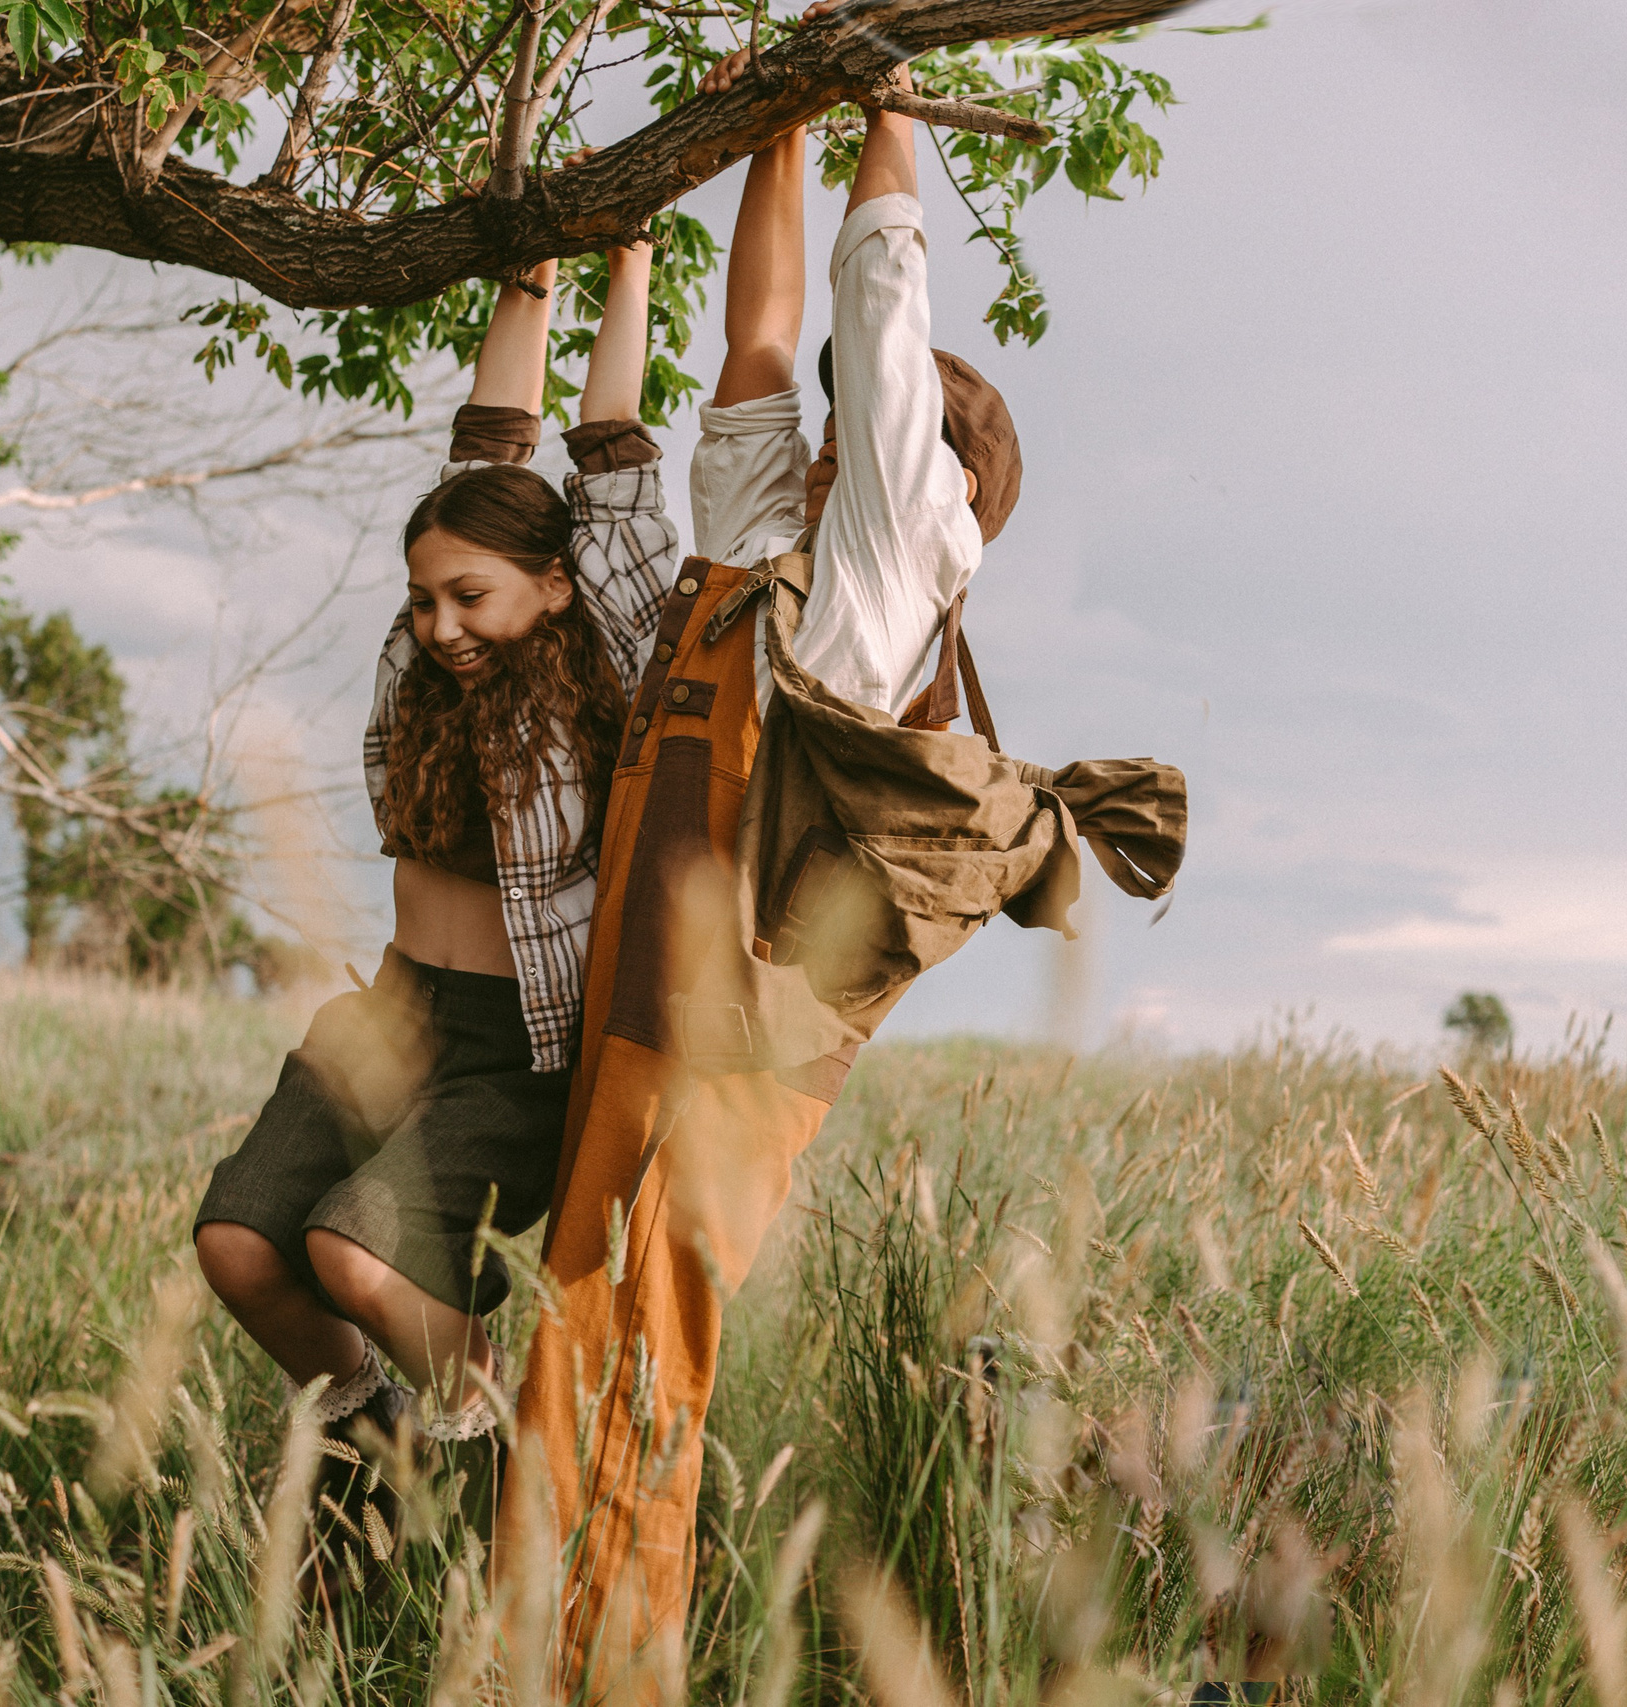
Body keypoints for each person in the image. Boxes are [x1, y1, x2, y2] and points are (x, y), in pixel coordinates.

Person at [497, 35, 1025, 1695]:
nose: (834, 435)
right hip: (650, 1014)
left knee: (640, 1350)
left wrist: (884, 114)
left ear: (933, 477)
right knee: (575, 1333)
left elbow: (870, 326)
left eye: (886, 439)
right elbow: (764, 340)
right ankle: (535, 1646)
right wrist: (772, 124)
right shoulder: (763, 539)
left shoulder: (888, 563)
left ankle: (606, 1665)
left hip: (735, 1041)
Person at [190, 239, 677, 1504]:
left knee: (355, 1258)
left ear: (557, 586)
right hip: (395, 1013)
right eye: (421, 601)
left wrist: (627, 260)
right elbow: (486, 446)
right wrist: (537, 261)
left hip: (517, 1049)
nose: (439, 627)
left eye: (469, 598)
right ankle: (385, 1448)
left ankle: (514, 1455)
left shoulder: (603, 662)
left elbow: (613, 461)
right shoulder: (420, 669)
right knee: (241, 1241)